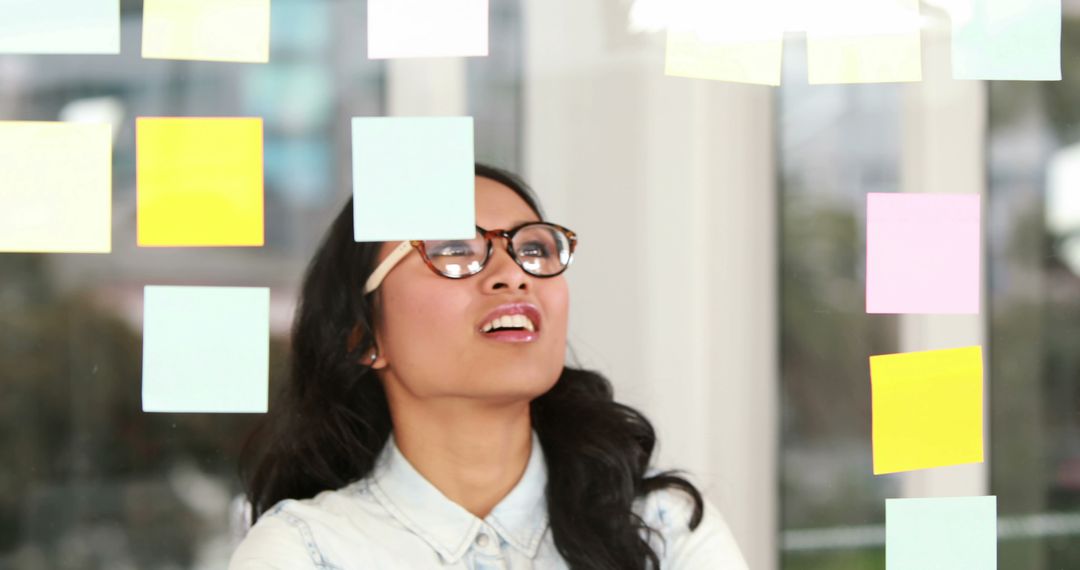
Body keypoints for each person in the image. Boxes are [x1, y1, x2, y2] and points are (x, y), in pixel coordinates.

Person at [229, 164, 748, 569]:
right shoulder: (307, 550)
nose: (512, 274)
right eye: (455, 250)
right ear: (365, 337)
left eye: (534, 248)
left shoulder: (658, 523)